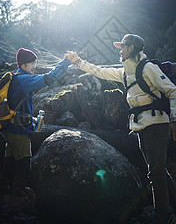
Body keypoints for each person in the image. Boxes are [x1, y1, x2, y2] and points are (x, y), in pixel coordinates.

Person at [66, 34, 176, 224]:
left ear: (132, 47)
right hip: (141, 127)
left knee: (155, 173)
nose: (120, 50)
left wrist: (174, 120)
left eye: (123, 46)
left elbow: (172, 90)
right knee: (158, 171)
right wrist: (78, 61)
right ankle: (170, 207)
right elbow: (99, 71)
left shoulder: (148, 68)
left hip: (156, 126)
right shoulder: (125, 73)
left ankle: (163, 217)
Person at [0, 47, 71, 202]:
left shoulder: (15, 78)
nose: (34, 66)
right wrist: (66, 62)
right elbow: (49, 78)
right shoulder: (24, 80)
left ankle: (3, 192)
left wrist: (33, 120)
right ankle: (19, 195)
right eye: (32, 63)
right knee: (24, 162)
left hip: (10, 128)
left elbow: (19, 107)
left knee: (9, 161)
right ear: (23, 65)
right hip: (19, 130)